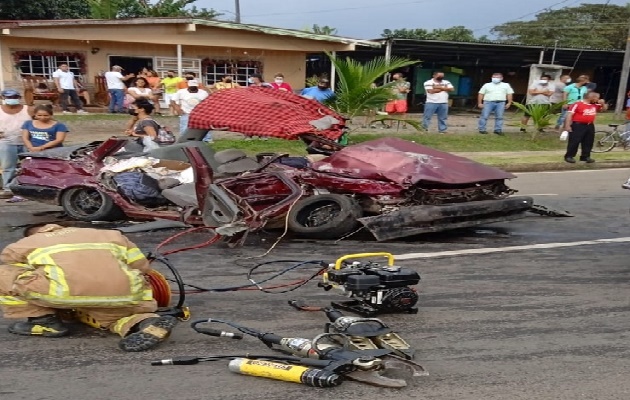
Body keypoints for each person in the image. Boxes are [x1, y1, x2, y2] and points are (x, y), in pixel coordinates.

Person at [0, 223, 177, 351]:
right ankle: (146, 322)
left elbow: (18, 273)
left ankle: (43, 322)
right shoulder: (111, 235)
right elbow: (142, 267)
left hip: (63, 293)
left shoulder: (24, 244)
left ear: (33, 234)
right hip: (124, 294)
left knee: (5, 275)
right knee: (114, 319)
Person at [0, 89, 32, 201]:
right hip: (6, 141)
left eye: (14, 97)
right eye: (8, 97)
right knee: (8, 167)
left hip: (26, 141)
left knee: (28, 165)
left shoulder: (27, 109)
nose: (11, 99)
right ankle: (8, 188)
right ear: (3, 98)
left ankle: (27, 187)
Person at [563, 91, 607, 164]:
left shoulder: (594, 105)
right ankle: (569, 156)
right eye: (596, 98)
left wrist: (603, 103)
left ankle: (585, 156)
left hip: (589, 125)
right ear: (591, 97)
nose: (597, 99)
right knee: (574, 141)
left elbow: (603, 109)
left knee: (588, 141)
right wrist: (567, 125)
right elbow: (569, 115)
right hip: (578, 125)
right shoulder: (577, 104)